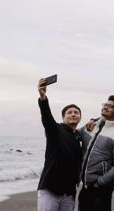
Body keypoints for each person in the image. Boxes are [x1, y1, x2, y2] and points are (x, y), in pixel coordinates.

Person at [37, 79, 82, 211]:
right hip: (50, 189)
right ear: (63, 118)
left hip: (69, 193)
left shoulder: (79, 136)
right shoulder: (55, 130)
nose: (73, 114)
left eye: (76, 112)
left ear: (79, 117)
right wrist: (43, 98)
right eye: (69, 113)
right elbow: (46, 117)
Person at [78, 95, 114, 211]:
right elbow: (72, 136)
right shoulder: (90, 126)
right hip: (84, 187)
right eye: (105, 105)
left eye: (110, 106)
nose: (105, 107)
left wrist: (100, 182)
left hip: (101, 190)